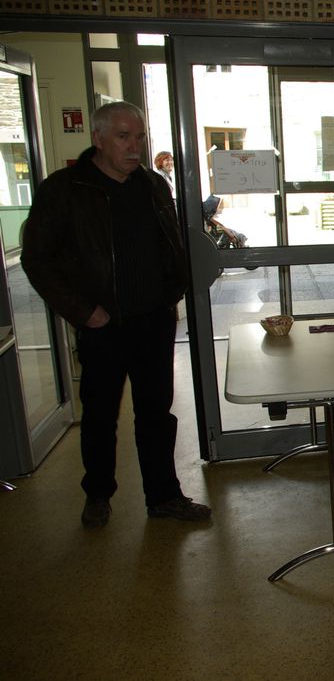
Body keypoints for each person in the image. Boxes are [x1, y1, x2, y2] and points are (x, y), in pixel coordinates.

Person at [21, 101, 211, 528]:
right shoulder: (65, 190)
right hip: (101, 326)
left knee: (156, 415)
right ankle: (98, 495)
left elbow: (171, 245)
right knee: (101, 417)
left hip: (152, 322)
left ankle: (163, 496)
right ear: (99, 139)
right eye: (124, 137)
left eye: (140, 136)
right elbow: (37, 259)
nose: (135, 146)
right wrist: (82, 311)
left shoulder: (152, 185)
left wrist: (170, 294)